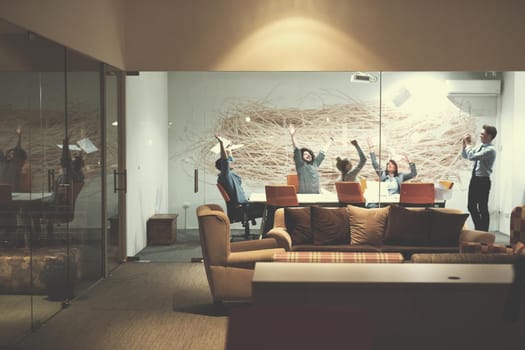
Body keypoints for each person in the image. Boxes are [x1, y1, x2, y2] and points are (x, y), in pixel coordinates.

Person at [214, 134, 263, 222]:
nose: (231, 162)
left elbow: (230, 159)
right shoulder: (225, 176)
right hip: (242, 208)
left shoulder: (227, 175)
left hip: (244, 205)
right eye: (228, 162)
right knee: (272, 208)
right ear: (224, 166)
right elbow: (225, 160)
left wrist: (228, 148)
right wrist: (221, 143)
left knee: (270, 205)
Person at [461, 124, 497, 231]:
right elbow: (465, 155)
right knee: (471, 206)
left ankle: (483, 232)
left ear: (489, 136)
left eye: (482, 134)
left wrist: (468, 145)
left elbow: (472, 156)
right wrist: (464, 145)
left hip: (483, 181)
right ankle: (479, 229)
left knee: (482, 207)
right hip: (475, 179)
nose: (480, 135)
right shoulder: (479, 147)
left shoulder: (490, 150)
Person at [288, 123, 334, 194]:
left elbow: (323, 152)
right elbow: (297, 149)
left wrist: (331, 140)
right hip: (305, 197)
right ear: (301, 157)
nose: (308, 154)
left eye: (308, 153)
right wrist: (292, 136)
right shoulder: (301, 165)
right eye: (305, 154)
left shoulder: (315, 163)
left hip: (317, 196)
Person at [0, 127, 27, 192]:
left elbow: (18, 148)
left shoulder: (14, 163)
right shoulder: (3, 161)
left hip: (11, 189)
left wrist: (19, 136)